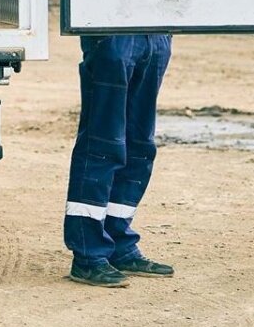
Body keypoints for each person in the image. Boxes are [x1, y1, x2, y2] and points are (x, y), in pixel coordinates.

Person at [64, 34, 174, 287]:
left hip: (156, 34)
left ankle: (118, 244)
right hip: (113, 32)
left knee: (140, 146)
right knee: (102, 143)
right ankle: (88, 255)